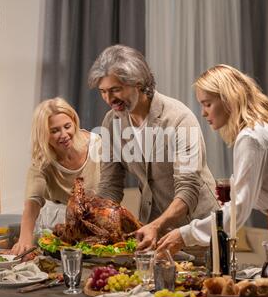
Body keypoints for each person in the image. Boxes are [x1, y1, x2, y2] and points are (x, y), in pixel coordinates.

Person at [156, 64, 268, 279]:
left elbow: (239, 209)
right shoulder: (260, 128)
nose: (203, 113)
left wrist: (184, 235)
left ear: (229, 99)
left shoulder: (251, 138)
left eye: (207, 104)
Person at [87, 45, 218, 251]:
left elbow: (188, 189)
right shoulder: (111, 123)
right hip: (153, 232)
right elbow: (110, 185)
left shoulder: (179, 119)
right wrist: (97, 223)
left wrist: (156, 226)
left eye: (115, 90)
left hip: (197, 231)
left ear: (138, 82)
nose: (109, 99)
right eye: (103, 91)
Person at [11, 97, 101, 255]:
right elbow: (32, 202)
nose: (64, 134)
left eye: (67, 126)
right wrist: (24, 239)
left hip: (94, 221)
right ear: (44, 134)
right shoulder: (42, 159)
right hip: (56, 225)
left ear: (74, 122)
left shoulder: (96, 144)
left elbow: (112, 182)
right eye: (54, 131)